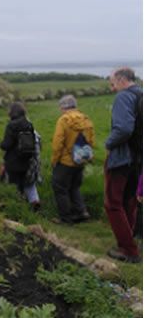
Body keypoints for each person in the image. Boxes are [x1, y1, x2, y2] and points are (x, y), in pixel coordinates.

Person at [103, 67, 143, 263]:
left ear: (121, 80)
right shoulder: (142, 95)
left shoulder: (123, 97)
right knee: (129, 200)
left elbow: (124, 128)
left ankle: (128, 249)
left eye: (112, 83)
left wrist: (108, 144)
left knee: (112, 203)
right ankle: (129, 238)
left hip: (121, 158)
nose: (112, 88)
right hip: (139, 158)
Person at [50, 94, 96, 223]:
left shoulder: (63, 120)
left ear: (64, 107)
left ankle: (65, 217)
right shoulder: (86, 119)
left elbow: (57, 143)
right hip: (80, 160)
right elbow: (91, 141)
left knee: (60, 188)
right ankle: (81, 212)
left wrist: (54, 160)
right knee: (75, 187)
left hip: (65, 161)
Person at [1, 102, 42, 209]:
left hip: (13, 161)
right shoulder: (29, 124)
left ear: (11, 113)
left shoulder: (11, 125)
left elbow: (6, 145)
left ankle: (18, 206)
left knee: (15, 185)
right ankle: (33, 203)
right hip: (26, 159)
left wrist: (1, 145)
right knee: (26, 182)